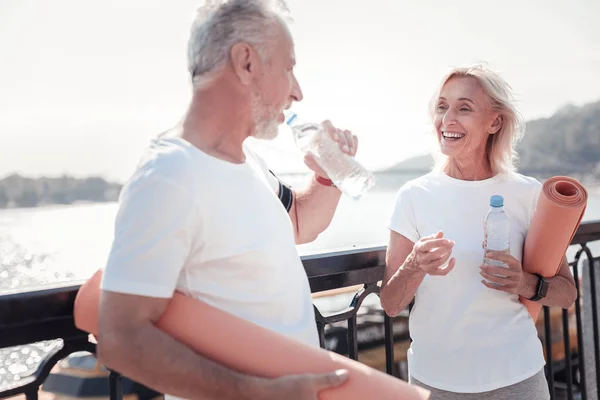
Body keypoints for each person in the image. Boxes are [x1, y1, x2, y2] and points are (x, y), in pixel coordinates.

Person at [95, 1, 359, 399]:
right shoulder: (169, 176)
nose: (298, 91)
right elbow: (121, 338)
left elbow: (300, 224)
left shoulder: (247, 159)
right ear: (246, 63)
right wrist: (258, 393)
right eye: (289, 67)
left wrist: (329, 176)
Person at [380, 64, 578, 400]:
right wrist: (414, 265)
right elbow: (390, 303)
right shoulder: (414, 196)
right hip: (435, 383)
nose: (448, 119)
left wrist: (525, 283)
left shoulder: (527, 193)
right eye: (442, 106)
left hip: (518, 378)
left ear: (495, 122)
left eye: (464, 108)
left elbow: (568, 294)